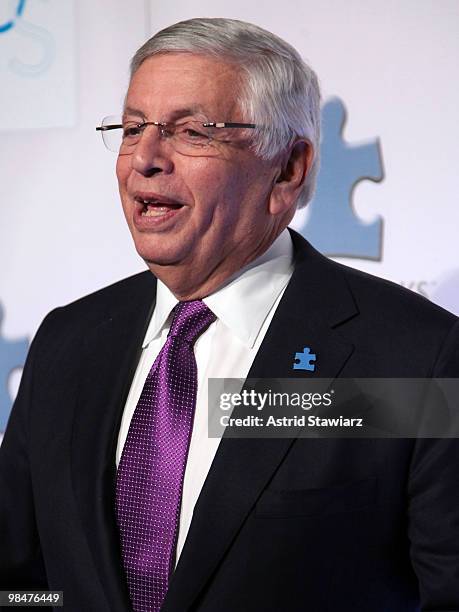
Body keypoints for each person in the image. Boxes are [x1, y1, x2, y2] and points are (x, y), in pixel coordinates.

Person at [1, 17, 458, 612]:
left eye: (191, 131)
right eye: (133, 127)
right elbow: (20, 582)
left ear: (287, 169)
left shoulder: (412, 358)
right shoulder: (68, 339)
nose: (144, 158)